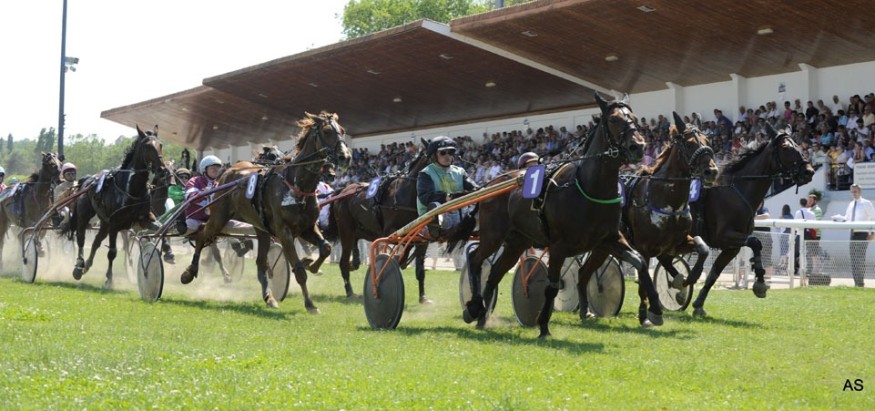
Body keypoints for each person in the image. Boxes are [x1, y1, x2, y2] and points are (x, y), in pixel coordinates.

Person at [183, 155, 254, 257]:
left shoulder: (222, 183)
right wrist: (204, 193)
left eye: (218, 167)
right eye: (212, 167)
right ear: (204, 169)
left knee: (248, 227)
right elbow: (190, 197)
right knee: (185, 228)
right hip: (196, 220)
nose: (216, 169)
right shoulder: (195, 181)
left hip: (217, 222)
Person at [416, 136, 479, 239]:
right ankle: (437, 230)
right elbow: (425, 197)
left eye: (450, 152)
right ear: (434, 156)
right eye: (443, 153)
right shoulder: (425, 173)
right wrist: (446, 197)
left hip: (459, 214)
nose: (447, 156)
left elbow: (474, 187)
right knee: (435, 205)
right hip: (434, 216)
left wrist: (480, 190)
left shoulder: (460, 171)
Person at [832, 184, 875, 287]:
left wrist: (873, 234)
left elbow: (873, 218)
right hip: (852, 233)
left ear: (860, 192)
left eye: (855, 191)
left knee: (859, 259)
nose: (853, 193)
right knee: (854, 259)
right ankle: (857, 283)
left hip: (862, 233)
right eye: (852, 192)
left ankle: (860, 283)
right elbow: (847, 217)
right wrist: (839, 218)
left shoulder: (866, 203)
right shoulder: (851, 204)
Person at [753, 201, 772, 276]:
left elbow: (767, 216)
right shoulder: (752, 209)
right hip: (755, 239)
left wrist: (754, 217)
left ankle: (768, 277)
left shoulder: (764, 209)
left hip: (765, 238)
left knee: (767, 258)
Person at [316, 163, 336, 232]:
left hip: (326, 207)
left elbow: (332, 193)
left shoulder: (324, 185)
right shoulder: (314, 184)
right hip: (316, 208)